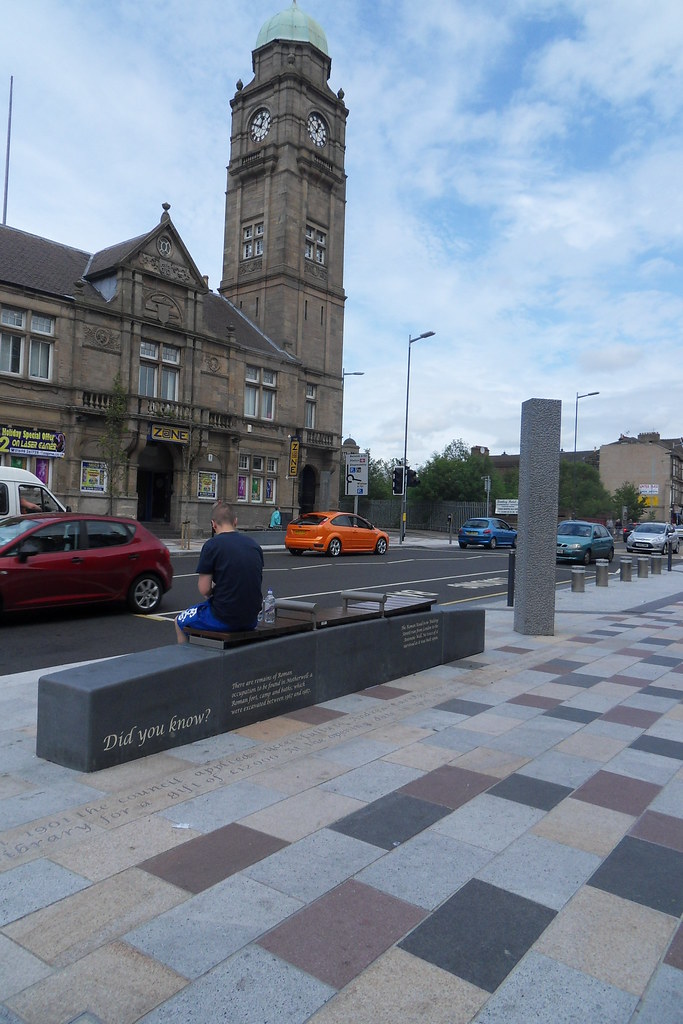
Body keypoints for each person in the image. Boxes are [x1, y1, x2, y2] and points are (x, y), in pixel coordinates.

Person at [175, 501, 263, 643]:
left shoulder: (212, 545)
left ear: (213, 524)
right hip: (251, 619)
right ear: (235, 521)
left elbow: (204, 589)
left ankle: (186, 661)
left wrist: (213, 592)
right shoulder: (254, 545)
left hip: (224, 618)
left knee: (179, 621)